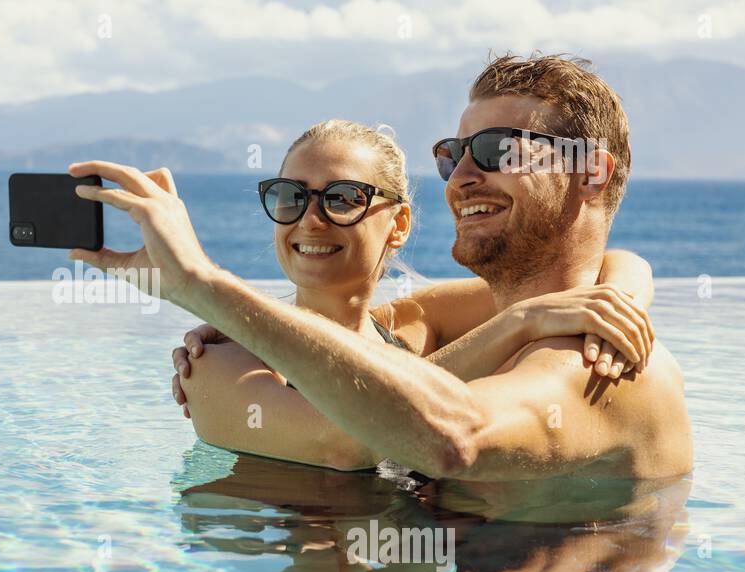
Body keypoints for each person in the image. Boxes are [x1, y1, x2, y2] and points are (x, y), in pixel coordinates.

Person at [67, 53, 692, 481]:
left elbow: (444, 438)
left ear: (590, 170)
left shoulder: (599, 362)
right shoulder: (500, 320)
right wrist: (248, 328)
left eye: (500, 151)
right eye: (453, 155)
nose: (463, 178)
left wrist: (203, 287)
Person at [165, 119, 655, 472]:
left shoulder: (416, 326)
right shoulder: (220, 362)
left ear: (397, 224)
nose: (310, 219)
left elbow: (594, 276)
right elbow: (343, 443)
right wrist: (517, 323)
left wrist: (618, 301)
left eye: (341, 199)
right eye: (291, 196)